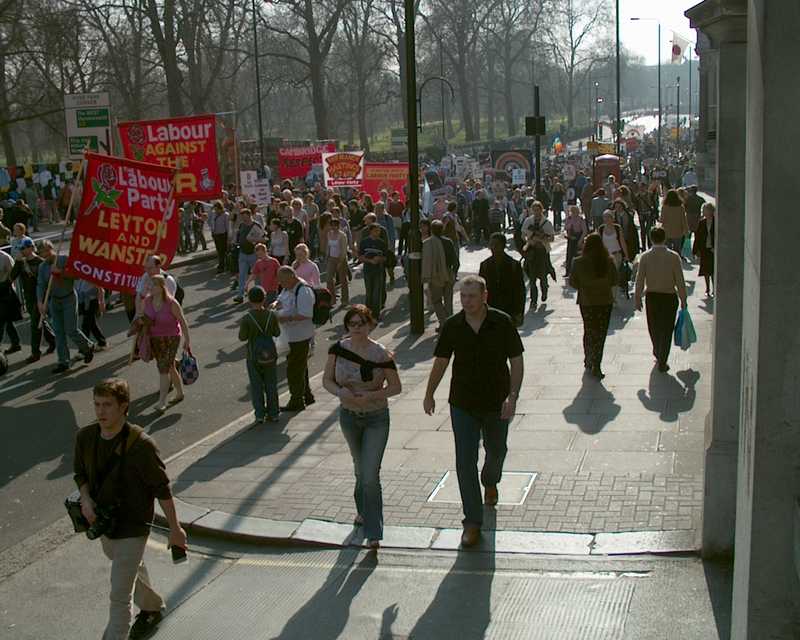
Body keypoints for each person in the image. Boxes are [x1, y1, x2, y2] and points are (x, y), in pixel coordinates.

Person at [73, 378, 187, 640]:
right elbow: (80, 473)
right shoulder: (85, 437)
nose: (101, 411)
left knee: (119, 594)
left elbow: (162, 490)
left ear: (124, 407)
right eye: (97, 405)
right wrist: (86, 499)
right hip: (105, 525)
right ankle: (151, 607)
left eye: (108, 405)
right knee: (129, 571)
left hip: (133, 529)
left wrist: (175, 529)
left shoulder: (142, 446)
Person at [423, 275, 524, 547]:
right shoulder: (453, 326)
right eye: (463, 297)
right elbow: (441, 361)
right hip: (462, 403)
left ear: (484, 296)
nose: (466, 301)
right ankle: (472, 522)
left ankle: (490, 481)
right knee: (464, 462)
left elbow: (516, 361)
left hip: (496, 402)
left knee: (496, 450)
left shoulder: (502, 322)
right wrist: (429, 392)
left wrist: (512, 397)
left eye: (471, 296)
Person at [322, 305, 402, 549]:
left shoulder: (381, 355)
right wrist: (340, 392)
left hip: (376, 418)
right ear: (347, 326)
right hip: (349, 417)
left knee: (369, 475)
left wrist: (373, 396)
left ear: (370, 325)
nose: (357, 328)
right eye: (352, 323)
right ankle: (363, 512)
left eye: (361, 323)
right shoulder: (338, 350)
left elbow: (396, 387)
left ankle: (374, 532)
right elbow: (327, 380)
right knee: (359, 470)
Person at [634, 227, 688, 373]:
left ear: (651, 239)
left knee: (654, 327)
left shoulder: (645, 257)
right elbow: (680, 280)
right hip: (669, 297)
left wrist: (637, 297)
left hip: (652, 296)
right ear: (665, 238)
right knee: (667, 328)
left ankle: (657, 350)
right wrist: (683, 298)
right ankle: (663, 357)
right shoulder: (673, 256)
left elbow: (639, 279)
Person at [37, 241, 95, 374]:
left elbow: (76, 276)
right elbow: (40, 285)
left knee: (71, 329)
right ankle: (63, 362)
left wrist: (61, 272)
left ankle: (87, 347)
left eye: (45, 251)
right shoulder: (42, 267)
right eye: (41, 252)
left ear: (51, 249)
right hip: (54, 301)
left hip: (68, 298)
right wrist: (40, 301)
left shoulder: (64, 260)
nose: (44, 254)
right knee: (58, 332)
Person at [569, 234, 617, 379]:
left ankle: (588, 358)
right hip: (604, 301)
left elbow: (572, 282)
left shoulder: (578, 261)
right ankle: (597, 363)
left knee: (589, 330)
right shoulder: (608, 261)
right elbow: (615, 280)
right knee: (601, 333)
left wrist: (584, 287)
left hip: (587, 301)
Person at [143, 274, 190, 412]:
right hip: (155, 338)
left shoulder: (171, 303)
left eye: (152, 285)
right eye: (149, 285)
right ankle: (180, 393)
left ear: (161, 287)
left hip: (171, 337)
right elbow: (145, 318)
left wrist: (187, 340)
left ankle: (162, 401)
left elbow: (182, 321)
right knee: (169, 366)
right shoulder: (147, 301)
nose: (149, 287)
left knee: (163, 368)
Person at [273, 266, 315, 411]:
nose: (281, 284)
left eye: (283, 281)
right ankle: (307, 395)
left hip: (300, 336)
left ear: (291, 277)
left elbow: (306, 314)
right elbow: (280, 299)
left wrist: (286, 318)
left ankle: (296, 401)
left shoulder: (303, 291)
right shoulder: (288, 288)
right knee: (300, 367)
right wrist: (275, 305)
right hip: (291, 336)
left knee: (294, 370)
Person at [239, 286, 281, 423]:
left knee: (256, 385)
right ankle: (274, 412)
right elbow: (277, 333)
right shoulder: (271, 315)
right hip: (270, 353)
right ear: (264, 299)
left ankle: (259, 414)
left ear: (250, 300)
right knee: (271, 384)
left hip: (253, 354)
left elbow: (242, 337)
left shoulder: (247, 318)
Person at [9, 238, 56, 362]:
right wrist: (18, 262)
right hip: (29, 298)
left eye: (23, 248)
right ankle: (53, 340)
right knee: (40, 321)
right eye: (20, 249)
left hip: (40, 296)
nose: (22, 251)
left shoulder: (40, 262)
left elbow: (46, 281)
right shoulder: (21, 263)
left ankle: (35, 353)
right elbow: (11, 277)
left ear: (31, 248)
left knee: (35, 324)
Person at [478, 232, 525, 326]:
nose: (493, 248)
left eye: (496, 245)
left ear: (503, 246)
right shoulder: (485, 265)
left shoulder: (513, 265)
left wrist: (520, 312)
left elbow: (520, 290)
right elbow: (480, 290)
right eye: (491, 245)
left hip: (509, 310)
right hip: (490, 310)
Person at [521, 201, 555, 309]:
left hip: (542, 252)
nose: (536, 212)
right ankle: (533, 301)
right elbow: (523, 234)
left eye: (538, 209)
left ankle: (544, 291)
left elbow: (552, 238)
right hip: (531, 252)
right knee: (531, 278)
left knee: (543, 276)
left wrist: (542, 238)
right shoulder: (528, 221)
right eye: (534, 209)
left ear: (541, 209)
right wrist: (529, 240)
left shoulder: (547, 223)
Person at [421, 219, 454, 331]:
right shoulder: (448, 241)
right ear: (442, 229)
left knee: (436, 301)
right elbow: (455, 260)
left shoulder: (427, 243)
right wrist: (453, 273)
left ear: (431, 230)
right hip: (449, 273)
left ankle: (443, 322)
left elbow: (425, 261)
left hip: (435, 275)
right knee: (448, 300)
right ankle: (449, 323)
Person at [358, 222, 388, 321]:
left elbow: (386, 257)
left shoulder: (382, 243)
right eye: (376, 230)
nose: (378, 232)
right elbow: (360, 257)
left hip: (378, 270)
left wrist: (379, 259)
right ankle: (368, 313)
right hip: (368, 270)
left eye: (379, 230)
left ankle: (376, 314)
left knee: (377, 292)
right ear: (371, 231)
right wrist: (370, 260)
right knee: (369, 292)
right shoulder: (364, 242)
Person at [234, 209, 264, 303]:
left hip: (253, 254)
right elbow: (238, 235)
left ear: (249, 215)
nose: (242, 218)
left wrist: (253, 240)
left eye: (244, 216)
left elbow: (263, 237)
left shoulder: (256, 225)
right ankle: (240, 296)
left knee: (256, 276)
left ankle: (259, 294)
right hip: (243, 253)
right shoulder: (242, 225)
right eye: (241, 216)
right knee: (242, 275)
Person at [0, 248, 21, 355]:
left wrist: (6, 285)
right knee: (7, 321)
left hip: (4, 292)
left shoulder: (5, 257)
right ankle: (16, 343)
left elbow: (13, 274)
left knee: (1, 320)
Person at [326, 217, 350, 307]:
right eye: (332, 226)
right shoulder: (329, 234)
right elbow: (328, 246)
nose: (334, 227)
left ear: (338, 226)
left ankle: (345, 299)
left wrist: (341, 261)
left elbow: (344, 250)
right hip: (331, 258)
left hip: (341, 259)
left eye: (336, 226)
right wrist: (327, 256)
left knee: (343, 279)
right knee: (329, 279)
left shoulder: (342, 235)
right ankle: (332, 299)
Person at [76, 280, 107, 349]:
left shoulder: (88, 273)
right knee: (92, 324)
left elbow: (100, 288)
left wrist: (101, 302)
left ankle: (83, 349)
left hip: (92, 301)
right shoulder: (79, 274)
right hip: (83, 301)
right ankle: (102, 342)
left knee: (85, 325)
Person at [693, 202, 715, 296]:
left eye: (705, 210)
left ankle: (715, 288)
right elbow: (697, 237)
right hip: (704, 249)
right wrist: (695, 250)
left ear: (710, 211)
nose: (703, 212)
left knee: (713, 270)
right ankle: (707, 289)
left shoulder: (716, 221)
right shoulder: (702, 222)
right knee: (706, 270)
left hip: (713, 249)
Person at [659, 189, 689, 255]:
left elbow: (661, 220)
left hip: (667, 232)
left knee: (667, 251)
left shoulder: (665, 207)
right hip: (678, 232)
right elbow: (684, 220)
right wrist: (686, 231)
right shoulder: (681, 207)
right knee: (677, 251)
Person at [564, 205, 588, 277]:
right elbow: (565, 229)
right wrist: (567, 235)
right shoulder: (568, 219)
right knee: (569, 255)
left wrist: (580, 240)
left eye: (576, 211)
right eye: (573, 211)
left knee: (578, 255)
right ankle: (568, 271)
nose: (574, 213)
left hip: (579, 237)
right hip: (571, 238)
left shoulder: (581, 219)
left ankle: (580, 271)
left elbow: (584, 231)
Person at [209, 200, 230, 274]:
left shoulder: (225, 215)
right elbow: (211, 223)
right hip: (216, 235)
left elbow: (227, 227)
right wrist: (212, 232)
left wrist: (228, 238)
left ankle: (222, 266)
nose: (216, 210)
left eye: (217, 209)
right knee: (219, 251)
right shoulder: (213, 214)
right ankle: (223, 264)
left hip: (223, 235)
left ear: (220, 208)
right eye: (215, 209)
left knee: (222, 251)